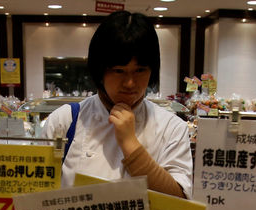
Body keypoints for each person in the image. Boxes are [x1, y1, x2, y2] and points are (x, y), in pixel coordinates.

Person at [42, 10, 192, 198]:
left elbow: (181, 201)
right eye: (118, 71)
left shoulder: (171, 127)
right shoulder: (64, 121)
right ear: (99, 71)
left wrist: (131, 146)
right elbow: (38, 194)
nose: (130, 83)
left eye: (140, 70)